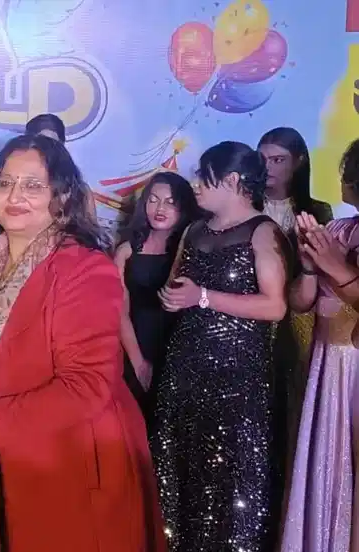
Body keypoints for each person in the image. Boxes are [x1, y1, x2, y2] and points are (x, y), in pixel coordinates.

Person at [0, 134, 164, 551]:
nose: (14, 196)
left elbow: (87, 386)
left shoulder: (84, 270)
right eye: (5, 183)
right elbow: (4, 348)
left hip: (70, 460)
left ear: (61, 196)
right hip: (7, 459)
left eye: (33, 185)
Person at [154, 141, 288, 551]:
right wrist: (174, 297)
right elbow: (177, 285)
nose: (195, 184)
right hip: (184, 367)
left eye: (204, 176)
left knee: (232, 480)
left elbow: (275, 306)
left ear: (231, 180)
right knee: (178, 468)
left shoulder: (263, 231)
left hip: (237, 377)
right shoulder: (193, 231)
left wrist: (203, 297)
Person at [282, 138, 359, 551]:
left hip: (355, 365)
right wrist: (311, 267)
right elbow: (299, 302)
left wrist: (336, 266)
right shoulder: (336, 230)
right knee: (325, 467)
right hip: (327, 363)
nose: (345, 181)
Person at [258, 127, 336, 488]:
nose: (268, 168)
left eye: (278, 160)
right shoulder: (245, 208)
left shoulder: (318, 211)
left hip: (299, 321)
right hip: (254, 317)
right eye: (262, 159)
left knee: (294, 409)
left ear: (299, 162)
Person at [114, 172, 199, 421]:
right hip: (131, 350)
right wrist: (138, 362)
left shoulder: (193, 252)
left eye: (170, 202)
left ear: (184, 207)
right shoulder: (126, 251)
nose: (160, 208)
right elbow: (119, 311)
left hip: (179, 357)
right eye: (153, 200)